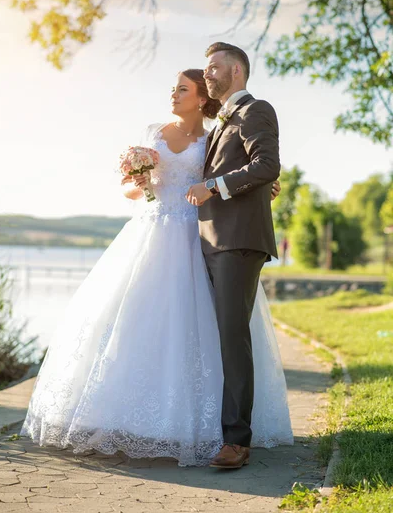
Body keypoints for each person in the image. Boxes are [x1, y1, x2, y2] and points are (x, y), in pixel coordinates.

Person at [20, 65, 293, 468]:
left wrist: (261, 188)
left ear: (201, 98)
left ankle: (203, 426)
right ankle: (120, 416)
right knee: (131, 320)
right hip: (150, 231)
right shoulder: (154, 133)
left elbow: (233, 173)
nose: (173, 94)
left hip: (197, 235)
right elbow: (130, 189)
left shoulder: (213, 136)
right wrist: (140, 177)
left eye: (182, 89)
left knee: (197, 326)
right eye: (173, 88)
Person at [186, 42, 283, 468]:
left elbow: (267, 165)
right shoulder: (224, 120)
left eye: (213, 67)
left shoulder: (256, 109)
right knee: (219, 337)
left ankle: (237, 441)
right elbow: (256, 174)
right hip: (212, 240)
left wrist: (215, 185)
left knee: (232, 337)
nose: (207, 74)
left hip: (237, 242)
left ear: (237, 72)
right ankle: (220, 429)